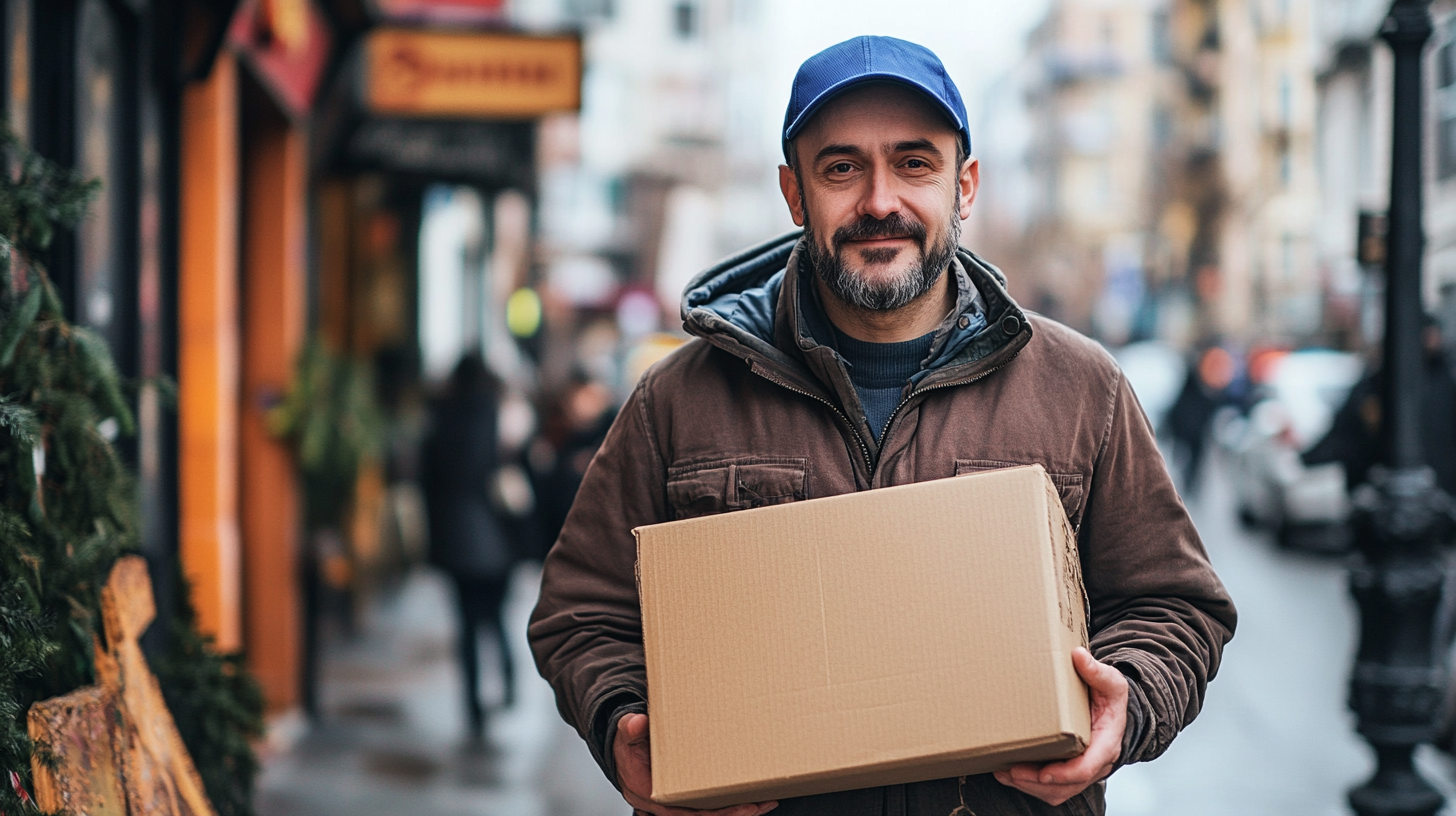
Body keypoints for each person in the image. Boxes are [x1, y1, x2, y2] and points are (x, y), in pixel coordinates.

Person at [529, 37, 1236, 816]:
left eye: (914, 163)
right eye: (840, 168)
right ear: (795, 195)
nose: (877, 201)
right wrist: (621, 723)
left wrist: (1126, 703)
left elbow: (1176, 605)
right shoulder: (677, 400)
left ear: (964, 185)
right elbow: (580, 612)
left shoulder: (1079, 387)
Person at [421, 354, 517, 740]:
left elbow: (427, 482)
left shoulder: (439, 419)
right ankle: (509, 683)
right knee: (496, 616)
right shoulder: (498, 417)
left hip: (455, 538)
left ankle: (472, 704)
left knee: (466, 624)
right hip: (496, 535)